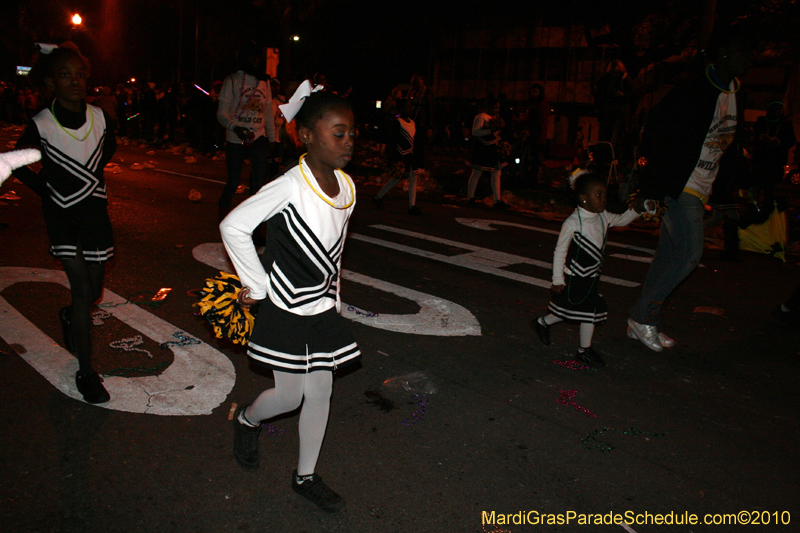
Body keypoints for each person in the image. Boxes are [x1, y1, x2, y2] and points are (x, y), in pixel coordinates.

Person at [220, 83, 360, 513]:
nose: (349, 141)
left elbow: (335, 251)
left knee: (321, 391)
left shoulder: (348, 188)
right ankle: (247, 419)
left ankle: (306, 476)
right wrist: (257, 286)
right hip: (285, 306)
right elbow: (234, 227)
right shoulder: (288, 187)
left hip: (319, 308)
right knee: (289, 397)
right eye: (338, 133)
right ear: (305, 137)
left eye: (352, 132)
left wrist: (334, 296)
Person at [627, 26, 752, 352]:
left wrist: (729, 195)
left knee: (669, 254)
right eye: (740, 51)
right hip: (680, 186)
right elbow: (657, 132)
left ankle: (644, 321)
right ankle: (643, 315)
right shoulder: (692, 91)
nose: (746, 58)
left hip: (704, 187)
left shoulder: (737, 94)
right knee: (689, 255)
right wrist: (651, 188)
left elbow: (730, 150)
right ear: (722, 54)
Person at [12, 45, 117, 404]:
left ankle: (71, 316)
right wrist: (47, 190)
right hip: (63, 217)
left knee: (94, 292)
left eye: (80, 74)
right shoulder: (41, 123)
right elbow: (18, 162)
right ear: (50, 82)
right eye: (65, 74)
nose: (75, 81)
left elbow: (107, 152)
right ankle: (86, 372)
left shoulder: (102, 118)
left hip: (95, 215)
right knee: (82, 291)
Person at [532, 172, 647, 367]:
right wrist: (558, 279)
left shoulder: (603, 216)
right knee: (587, 312)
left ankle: (542, 323)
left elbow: (621, 220)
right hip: (575, 277)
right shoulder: (573, 222)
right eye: (598, 195)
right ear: (583, 198)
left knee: (570, 311)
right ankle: (583, 351)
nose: (604, 199)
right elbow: (560, 251)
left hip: (592, 277)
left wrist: (637, 210)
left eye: (604, 194)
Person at [216, 40, 276, 220]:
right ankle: (223, 217)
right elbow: (221, 113)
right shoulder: (232, 81)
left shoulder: (264, 82)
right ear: (243, 58)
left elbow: (267, 113)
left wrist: (272, 140)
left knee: (258, 183)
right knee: (233, 182)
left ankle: (254, 222)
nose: (256, 61)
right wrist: (235, 128)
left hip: (258, 137)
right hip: (236, 139)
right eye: (252, 57)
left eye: (258, 57)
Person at [373, 98, 421, 214]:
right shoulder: (398, 122)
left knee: (413, 179)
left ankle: (412, 206)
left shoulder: (413, 122)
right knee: (396, 179)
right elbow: (393, 141)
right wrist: (393, 158)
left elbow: (415, 141)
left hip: (410, 155)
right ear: (401, 109)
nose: (409, 109)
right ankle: (377, 197)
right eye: (407, 107)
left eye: (410, 107)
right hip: (400, 156)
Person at [752, 101, 796, 212]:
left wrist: (780, 142)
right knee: (756, 183)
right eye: (775, 109)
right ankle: (753, 205)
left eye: (780, 110)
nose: (777, 112)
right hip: (760, 159)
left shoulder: (785, 124)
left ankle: (767, 208)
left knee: (770, 185)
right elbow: (754, 136)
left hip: (775, 161)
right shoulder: (761, 121)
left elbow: (791, 140)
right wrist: (760, 138)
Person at [466, 97, 508, 209]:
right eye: (495, 107)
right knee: (476, 172)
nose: (497, 110)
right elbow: (475, 132)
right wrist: (490, 130)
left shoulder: (496, 118)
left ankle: (497, 200)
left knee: (496, 173)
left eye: (498, 108)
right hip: (482, 149)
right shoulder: (480, 117)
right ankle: (470, 198)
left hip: (492, 149)